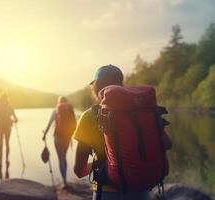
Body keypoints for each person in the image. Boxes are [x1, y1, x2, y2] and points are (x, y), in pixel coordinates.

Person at [73, 65, 173, 200]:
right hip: (141, 190)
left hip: (107, 192)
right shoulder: (142, 110)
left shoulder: (88, 117)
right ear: (121, 84)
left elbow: (79, 170)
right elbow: (167, 144)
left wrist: (106, 165)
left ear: (96, 87)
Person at [42, 96, 76, 188]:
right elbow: (74, 124)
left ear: (59, 102)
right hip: (67, 137)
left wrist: (44, 134)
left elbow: (49, 124)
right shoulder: (70, 110)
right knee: (64, 158)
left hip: (57, 136)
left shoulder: (56, 110)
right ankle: (66, 181)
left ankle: (64, 181)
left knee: (60, 158)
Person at [0, 93, 18, 168]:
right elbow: (16, 119)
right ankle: (7, 160)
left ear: (0, 99)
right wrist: (12, 121)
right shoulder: (10, 108)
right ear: (7, 99)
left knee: (0, 145)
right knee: (7, 143)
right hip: (8, 127)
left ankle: (0, 162)